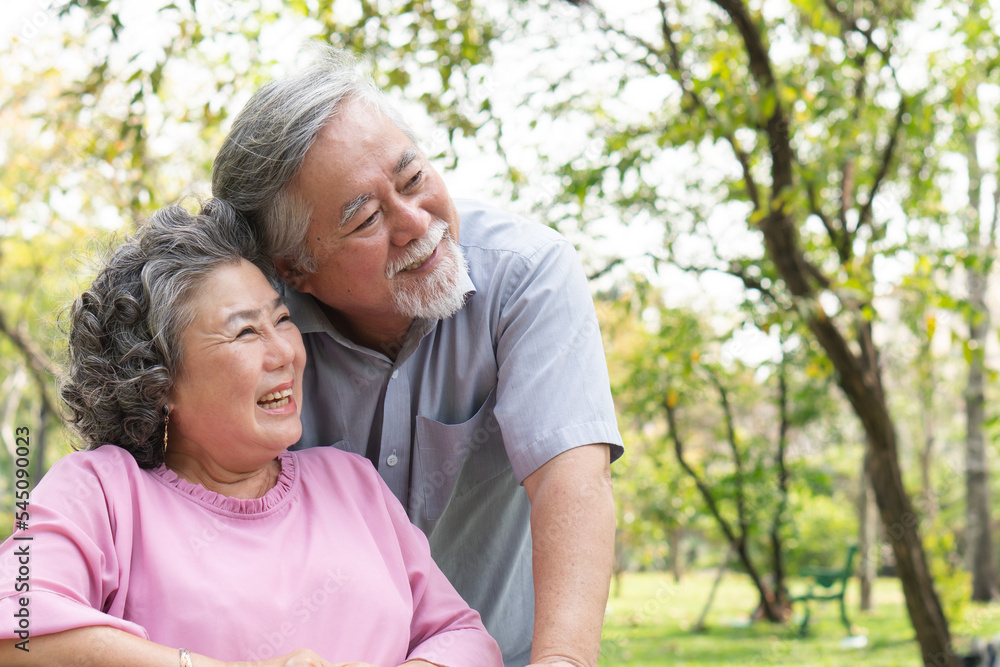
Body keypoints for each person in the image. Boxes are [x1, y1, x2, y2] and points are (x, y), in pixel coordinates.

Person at [212, 45, 623, 667]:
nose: (416, 222)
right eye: (366, 219)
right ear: (294, 268)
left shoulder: (526, 274)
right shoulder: (253, 332)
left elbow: (572, 481)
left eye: (413, 180)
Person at [0, 201, 503, 667]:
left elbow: (462, 636)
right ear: (159, 379)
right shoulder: (102, 490)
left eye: (282, 319)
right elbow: (16, 629)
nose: (284, 352)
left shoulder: (351, 482)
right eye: (245, 332)